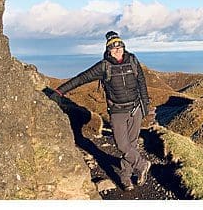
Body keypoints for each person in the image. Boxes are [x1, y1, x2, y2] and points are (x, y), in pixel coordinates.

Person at [55, 31, 152, 190]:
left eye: (119, 47)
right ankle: (142, 164)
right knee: (122, 145)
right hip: (117, 112)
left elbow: (141, 82)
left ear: (123, 47)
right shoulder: (104, 66)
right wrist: (59, 92)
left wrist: (145, 106)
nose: (117, 50)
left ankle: (126, 178)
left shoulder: (132, 60)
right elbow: (82, 78)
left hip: (136, 109)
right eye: (113, 48)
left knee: (132, 145)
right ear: (108, 50)